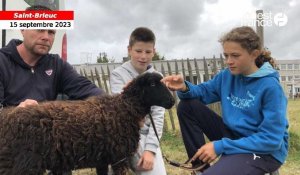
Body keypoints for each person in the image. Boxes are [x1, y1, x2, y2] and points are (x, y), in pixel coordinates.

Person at [161, 26, 289, 175]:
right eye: (226, 55)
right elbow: (202, 92)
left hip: (264, 150)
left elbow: (271, 140)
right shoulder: (227, 76)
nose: (229, 61)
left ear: (254, 54)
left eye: (235, 55)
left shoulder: (271, 87)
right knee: (187, 106)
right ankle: (201, 169)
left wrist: (220, 146)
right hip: (233, 136)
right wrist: (184, 87)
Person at [0, 5, 105, 175]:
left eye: (51, 32)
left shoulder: (56, 64)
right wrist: (14, 113)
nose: (46, 37)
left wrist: (120, 106)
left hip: (48, 147)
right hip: (10, 147)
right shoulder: (2, 61)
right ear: (22, 28)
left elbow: (87, 89)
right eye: (40, 29)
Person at [110, 27, 167, 175]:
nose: (143, 56)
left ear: (154, 51)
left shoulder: (157, 76)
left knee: (154, 172)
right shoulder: (118, 75)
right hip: (126, 134)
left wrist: (150, 150)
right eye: (138, 51)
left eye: (148, 52)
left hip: (149, 135)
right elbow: (123, 113)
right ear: (129, 50)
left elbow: (158, 115)